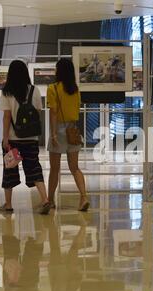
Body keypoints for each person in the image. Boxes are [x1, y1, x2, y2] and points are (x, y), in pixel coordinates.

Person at [0, 60, 50, 214]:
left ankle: (8, 205)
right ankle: (45, 200)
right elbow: (37, 113)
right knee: (34, 168)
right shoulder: (34, 90)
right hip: (31, 139)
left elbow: (7, 117)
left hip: (13, 140)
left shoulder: (7, 92)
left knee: (9, 170)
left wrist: (5, 138)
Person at [46, 58, 89, 214]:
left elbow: (54, 112)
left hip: (59, 130)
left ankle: (50, 200)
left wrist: (53, 134)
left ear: (60, 71)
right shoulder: (75, 89)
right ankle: (84, 197)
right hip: (73, 130)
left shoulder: (53, 88)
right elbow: (76, 109)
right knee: (75, 167)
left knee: (54, 169)